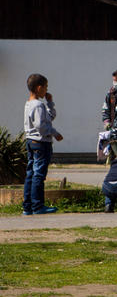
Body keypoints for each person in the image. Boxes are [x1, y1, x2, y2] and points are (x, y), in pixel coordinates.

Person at [23, 73, 62, 216]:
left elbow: (49, 117)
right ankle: (38, 206)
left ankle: (27, 207)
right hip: (41, 143)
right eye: (45, 87)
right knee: (39, 174)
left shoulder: (29, 104)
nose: (46, 90)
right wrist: (55, 133)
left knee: (31, 174)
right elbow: (41, 126)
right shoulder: (38, 105)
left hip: (30, 141)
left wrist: (50, 103)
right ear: (39, 88)